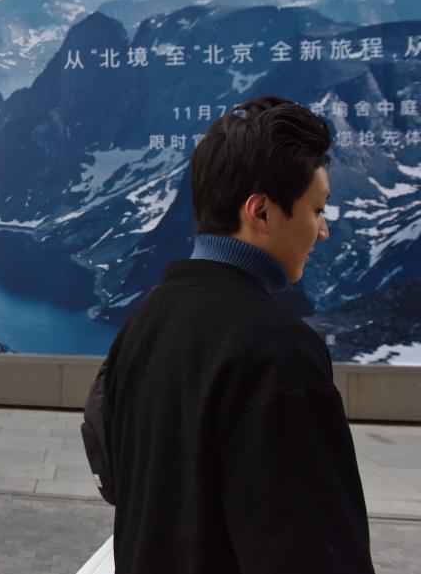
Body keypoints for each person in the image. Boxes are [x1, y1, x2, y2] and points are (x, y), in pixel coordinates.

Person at [100, 97, 375, 573]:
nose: (323, 231)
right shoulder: (278, 353)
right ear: (262, 213)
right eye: (317, 209)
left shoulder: (145, 323)